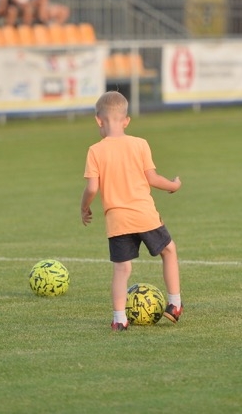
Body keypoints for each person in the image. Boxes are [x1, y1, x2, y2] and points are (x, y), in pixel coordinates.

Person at [80, 90, 184, 331]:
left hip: (117, 219)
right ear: (126, 121)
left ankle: (119, 319)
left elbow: (92, 188)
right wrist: (174, 185)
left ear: (98, 120)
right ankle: (175, 304)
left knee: (122, 269)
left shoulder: (95, 151)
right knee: (168, 251)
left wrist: (84, 208)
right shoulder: (140, 144)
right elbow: (153, 178)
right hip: (144, 214)